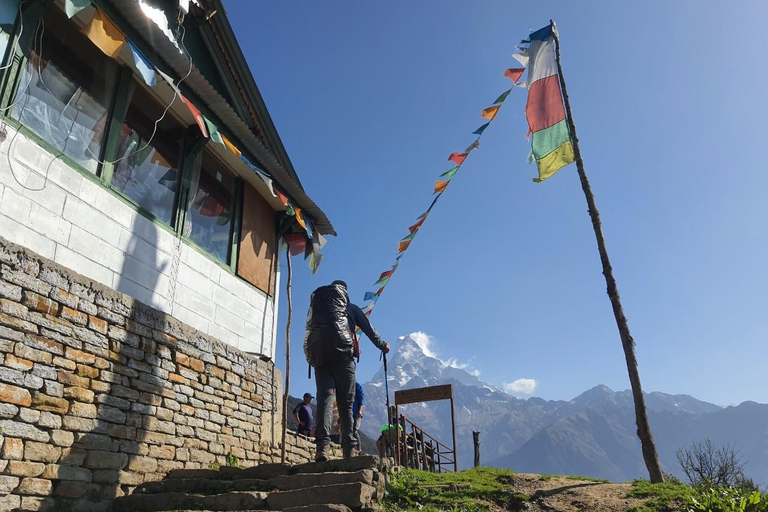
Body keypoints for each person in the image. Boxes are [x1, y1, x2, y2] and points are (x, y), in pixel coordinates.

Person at [304, 280, 390, 461]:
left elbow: (309, 332)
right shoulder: (351, 309)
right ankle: (349, 449)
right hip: (343, 360)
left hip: (320, 361)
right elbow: (368, 329)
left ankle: (322, 448)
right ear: (345, 293)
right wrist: (382, 346)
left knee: (324, 402)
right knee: (346, 404)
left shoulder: (318, 309)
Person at [352, 382, 364, 448]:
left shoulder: (357, 386)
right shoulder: (345, 385)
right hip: (349, 413)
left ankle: (359, 448)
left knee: (355, 430)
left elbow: (361, 399)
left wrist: (360, 410)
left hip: (356, 413)